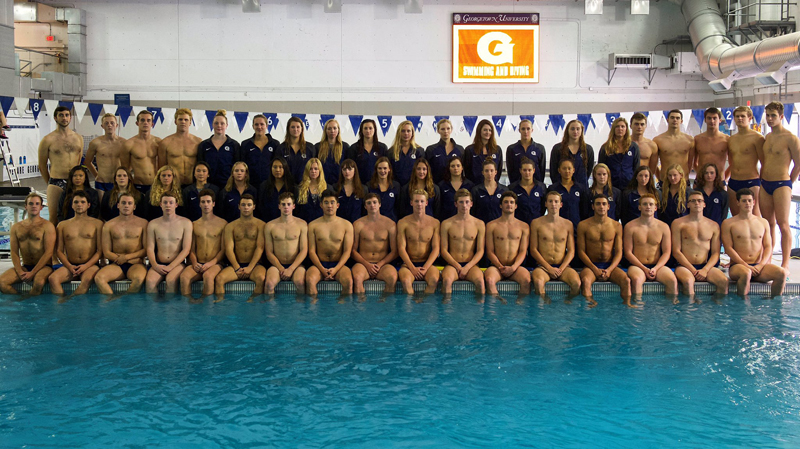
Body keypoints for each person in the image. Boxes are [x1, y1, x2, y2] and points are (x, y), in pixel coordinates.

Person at [722, 188, 786, 297]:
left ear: (754, 202)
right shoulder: (728, 223)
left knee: (781, 273)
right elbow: (728, 248)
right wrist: (745, 265)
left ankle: (774, 303)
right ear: (738, 203)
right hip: (738, 266)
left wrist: (761, 265)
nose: (747, 203)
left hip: (758, 267)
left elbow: (768, 246)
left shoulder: (763, 222)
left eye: (749, 200)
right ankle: (742, 305)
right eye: (744, 201)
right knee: (746, 273)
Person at [760, 101, 800, 271]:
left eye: (773, 116)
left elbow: (798, 164)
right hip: (765, 184)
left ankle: (785, 263)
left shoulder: (790, 138)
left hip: (782, 184)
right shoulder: (767, 137)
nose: (770, 119)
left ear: (781, 116)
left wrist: (789, 184)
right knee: (768, 224)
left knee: (783, 224)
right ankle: (768, 259)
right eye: (768, 115)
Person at [671, 190, 729, 297]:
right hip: (684, 266)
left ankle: (716, 306)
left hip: (705, 266)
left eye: (699, 201)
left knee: (723, 281)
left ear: (704, 204)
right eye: (693, 201)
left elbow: (716, 253)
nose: (696, 203)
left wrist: (705, 270)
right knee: (688, 282)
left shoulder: (713, 225)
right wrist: (694, 271)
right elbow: (676, 251)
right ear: (688, 205)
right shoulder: (678, 223)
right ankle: (689, 307)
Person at [577, 194, 631, 305]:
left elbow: (619, 252)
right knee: (586, 281)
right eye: (598, 204)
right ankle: (590, 304)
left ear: (608, 207)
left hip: (610, 265)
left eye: (604, 204)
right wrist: (594, 269)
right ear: (593, 207)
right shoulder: (583, 225)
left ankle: (627, 305)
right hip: (591, 266)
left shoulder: (616, 226)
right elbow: (581, 251)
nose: (601, 207)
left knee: (626, 281)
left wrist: (610, 270)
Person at [623, 194, 678, 299]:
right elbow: (628, 252)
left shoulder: (664, 227)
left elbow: (667, 252)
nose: (648, 207)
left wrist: (656, 268)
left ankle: (671, 306)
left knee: (672, 280)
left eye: (651, 204)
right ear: (639, 207)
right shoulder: (630, 227)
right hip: (637, 266)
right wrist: (644, 268)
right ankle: (638, 307)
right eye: (645, 204)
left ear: (655, 208)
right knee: (637, 280)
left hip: (658, 266)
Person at [0, 193, 55, 295]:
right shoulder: (16, 227)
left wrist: (33, 272)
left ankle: (26, 301)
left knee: (38, 283)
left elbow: (49, 252)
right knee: (2, 282)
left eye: (37, 204)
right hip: (25, 266)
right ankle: (20, 300)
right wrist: (19, 271)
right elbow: (14, 252)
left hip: (44, 267)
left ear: (41, 207)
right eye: (31, 203)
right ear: (25, 206)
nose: (34, 206)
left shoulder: (47, 226)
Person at [49, 192, 104, 296]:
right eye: (76, 202)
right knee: (53, 279)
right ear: (72, 205)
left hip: (90, 265)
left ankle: (71, 302)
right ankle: (63, 301)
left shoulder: (97, 224)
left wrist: (86, 266)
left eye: (83, 202)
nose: (79, 204)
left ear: (88, 205)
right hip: (70, 265)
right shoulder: (62, 225)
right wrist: (69, 266)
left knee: (86, 280)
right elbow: (59, 251)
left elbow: (100, 251)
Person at [94, 193, 149, 295]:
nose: (126, 205)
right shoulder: (108, 225)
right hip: (117, 264)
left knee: (138, 279)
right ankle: (113, 301)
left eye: (129, 203)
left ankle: (124, 302)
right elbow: (106, 252)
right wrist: (119, 259)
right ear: (118, 205)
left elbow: (146, 250)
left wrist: (126, 257)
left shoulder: (143, 223)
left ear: (134, 206)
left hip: (136, 264)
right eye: (123, 203)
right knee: (99, 278)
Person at [38, 105, 84, 225]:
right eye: (61, 115)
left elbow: (78, 161)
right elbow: (42, 166)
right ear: (55, 118)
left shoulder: (78, 138)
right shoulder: (47, 140)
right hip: (56, 181)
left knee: (77, 216)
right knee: (54, 218)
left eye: (67, 115)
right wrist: (50, 182)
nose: (64, 118)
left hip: (75, 181)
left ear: (70, 117)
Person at [214, 194, 267, 298]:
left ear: (254, 207)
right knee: (219, 279)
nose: (246, 207)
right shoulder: (230, 226)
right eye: (243, 205)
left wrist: (250, 267)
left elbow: (260, 248)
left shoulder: (261, 225)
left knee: (261, 278)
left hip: (255, 265)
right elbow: (228, 249)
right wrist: (237, 267)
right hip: (236, 265)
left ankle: (253, 301)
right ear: (239, 206)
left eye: (249, 205)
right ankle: (220, 303)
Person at [529, 191, 581, 297]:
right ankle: (544, 304)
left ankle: (568, 303)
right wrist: (549, 268)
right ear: (545, 204)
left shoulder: (568, 224)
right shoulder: (536, 223)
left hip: (563, 267)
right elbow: (533, 250)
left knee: (576, 283)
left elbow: (571, 251)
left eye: (556, 201)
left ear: (561, 204)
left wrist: (561, 269)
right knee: (538, 283)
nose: (553, 204)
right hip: (543, 267)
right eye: (550, 201)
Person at [178, 189, 228, 297]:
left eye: (208, 202)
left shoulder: (222, 223)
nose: (206, 205)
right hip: (198, 263)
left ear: (213, 204)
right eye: (203, 202)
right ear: (199, 204)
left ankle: (207, 306)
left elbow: (223, 250)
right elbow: (191, 249)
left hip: (215, 264)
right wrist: (194, 262)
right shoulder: (194, 224)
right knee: (184, 277)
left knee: (208, 277)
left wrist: (211, 263)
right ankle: (187, 304)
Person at [306, 189, 354, 296]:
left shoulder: (347, 225)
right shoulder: (313, 225)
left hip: (339, 265)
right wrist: (322, 269)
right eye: (326, 202)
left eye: (332, 202)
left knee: (348, 282)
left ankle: (343, 307)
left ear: (337, 205)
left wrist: (336, 269)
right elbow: (311, 251)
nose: (329, 206)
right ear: (321, 205)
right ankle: (313, 306)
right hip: (319, 265)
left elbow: (347, 252)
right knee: (310, 280)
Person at [484, 191, 530, 296]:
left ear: (516, 206)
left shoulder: (524, 226)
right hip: (496, 267)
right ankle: (496, 303)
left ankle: (520, 304)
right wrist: (500, 267)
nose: (509, 204)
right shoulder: (491, 226)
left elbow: (523, 251)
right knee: (489, 280)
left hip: (516, 267)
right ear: (500, 205)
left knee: (526, 280)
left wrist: (513, 267)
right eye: (506, 202)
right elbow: (490, 251)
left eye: (511, 202)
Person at [145, 192, 193, 293]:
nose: (168, 205)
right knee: (150, 282)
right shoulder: (153, 224)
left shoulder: (186, 223)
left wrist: (171, 266)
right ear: (160, 204)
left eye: (171, 202)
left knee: (171, 281)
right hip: (158, 263)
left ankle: (170, 304)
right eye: (165, 202)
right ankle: (153, 304)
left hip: (177, 264)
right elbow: (149, 248)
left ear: (176, 205)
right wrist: (155, 265)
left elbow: (186, 249)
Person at [440, 189, 486, 295]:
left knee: (480, 282)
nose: (464, 205)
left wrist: (467, 267)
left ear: (471, 204)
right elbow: (443, 250)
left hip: (471, 265)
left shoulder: (479, 224)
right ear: (456, 204)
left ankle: (480, 306)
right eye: (461, 202)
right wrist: (457, 266)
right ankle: (446, 306)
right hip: (453, 265)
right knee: (447, 281)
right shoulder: (447, 224)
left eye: (467, 202)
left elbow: (480, 250)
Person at [351, 193, 398, 294]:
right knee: (357, 278)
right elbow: (353, 251)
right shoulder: (358, 224)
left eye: (374, 202)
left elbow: (395, 251)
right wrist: (367, 265)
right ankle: (360, 303)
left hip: (383, 265)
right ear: (365, 206)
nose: (372, 205)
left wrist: (380, 264)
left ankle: (386, 303)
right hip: (363, 264)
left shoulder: (390, 224)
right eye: (369, 203)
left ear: (379, 204)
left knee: (392, 278)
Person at [396, 190, 441, 294]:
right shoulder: (403, 223)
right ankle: (411, 304)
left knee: (434, 280)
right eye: (416, 201)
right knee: (406, 281)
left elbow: (436, 248)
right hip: (408, 265)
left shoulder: (435, 223)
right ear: (411, 202)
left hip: (427, 264)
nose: (419, 204)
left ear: (426, 203)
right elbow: (401, 248)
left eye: (422, 201)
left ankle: (424, 302)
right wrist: (412, 268)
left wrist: (425, 268)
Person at [263, 192, 308, 295]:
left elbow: (304, 250)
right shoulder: (270, 226)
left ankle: (300, 306)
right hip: (277, 266)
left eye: (288, 204)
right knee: (269, 284)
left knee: (300, 283)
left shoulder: (302, 224)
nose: (286, 207)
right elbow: (269, 252)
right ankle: (269, 306)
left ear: (293, 206)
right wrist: (281, 268)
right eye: (283, 204)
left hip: (296, 265)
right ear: (279, 206)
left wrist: (291, 268)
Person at [727, 106, 765, 216]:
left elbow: (764, 162)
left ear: (750, 118)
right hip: (733, 182)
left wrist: (762, 183)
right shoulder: (731, 139)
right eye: (737, 116)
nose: (740, 118)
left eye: (742, 116)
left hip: (751, 182)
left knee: (754, 217)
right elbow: (731, 162)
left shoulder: (757, 138)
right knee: (735, 216)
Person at [157, 108, 202, 188]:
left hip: (193, 185)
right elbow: (162, 168)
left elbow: (201, 165)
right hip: (173, 185)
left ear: (190, 122)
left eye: (186, 120)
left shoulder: (198, 142)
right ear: (175, 121)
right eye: (180, 119)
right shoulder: (165, 142)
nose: (183, 122)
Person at [119, 110, 161, 196]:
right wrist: (129, 186)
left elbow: (164, 166)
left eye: (148, 120)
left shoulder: (158, 143)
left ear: (152, 124)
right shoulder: (129, 144)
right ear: (137, 123)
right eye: (142, 120)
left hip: (155, 185)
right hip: (137, 185)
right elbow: (125, 169)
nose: (145, 123)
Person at [197, 109, 240, 190]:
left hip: (228, 185)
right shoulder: (204, 145)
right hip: (208, 185)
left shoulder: (234, 145)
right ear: (212, 125)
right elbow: (200, 165)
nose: (219, 126)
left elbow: (237, 166)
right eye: (216, 123)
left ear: (226, 125)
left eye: (222, 123)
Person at [85, 113, 124, 200]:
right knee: (102, 207)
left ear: (116, 125)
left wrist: (124, 176)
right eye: (106, 123)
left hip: (118, 182)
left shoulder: (123, 143)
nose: (109, 125)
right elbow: (87, 162)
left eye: (112, 123)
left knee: (117, 206)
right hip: (101, 182)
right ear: (102, 126)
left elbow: (130, 162)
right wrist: (96, 175)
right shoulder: (95, 143)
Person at [653, 110, 694, 185]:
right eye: (672, 117)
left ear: (681, 121)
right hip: (665, 180)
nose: (675, 120)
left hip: (683, 180)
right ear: (667, 120)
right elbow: (653, 164)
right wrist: (660, 178)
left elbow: (690, 163)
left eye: (677, 118)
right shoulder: (658, 140)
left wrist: (685, 176)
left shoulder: (689, 140)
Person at [239, 114, 281, 189]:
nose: (259, 127)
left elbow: (278, 164)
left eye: (262, 124)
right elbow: (242, 165)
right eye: (256, 124)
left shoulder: (275, 144)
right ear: (253, 126)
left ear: (266, 126)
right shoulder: (245, 144)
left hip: (270, 184)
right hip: (250, 184)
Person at [547, 159, 589, 231]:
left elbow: (584, 210)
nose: (567, 171)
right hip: (558, 227)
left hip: (576, 227)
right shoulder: (553, 188)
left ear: (573, 170)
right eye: (564, 168)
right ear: (559, 170)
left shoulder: (581, 188)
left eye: (569, 168)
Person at [550, 119, 595, 187]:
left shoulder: (588, 149)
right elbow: (553, 170)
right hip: (562, 187)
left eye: (578, 129)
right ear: (567, 131)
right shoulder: (558, 148)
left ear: (582, 131)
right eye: (572, 129)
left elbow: (588, 170)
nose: (575, 131)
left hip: (582, 187)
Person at [599, 117, 640, 190]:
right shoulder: (606, 147)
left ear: (626, 129)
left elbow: (636, 168)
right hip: (611, 186)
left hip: (629, 186)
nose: (620, 129)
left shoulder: (633, 147)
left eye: (622, 126)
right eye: (617, 126)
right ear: (613, 129)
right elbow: (601, 167)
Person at [257, 156, 296, 223]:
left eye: (280, 167)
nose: (277, 170)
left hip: (288, 224)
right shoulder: (264, 186)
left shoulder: (293, 187)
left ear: (285, 168)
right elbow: (260, 207)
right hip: (268, 223)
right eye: (275, 167)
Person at [464, 119, 503, 185]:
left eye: (490, 130)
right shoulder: (469, 150)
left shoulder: (497, 150)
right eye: (485, 130)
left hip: (492, 186)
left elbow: (498, 170)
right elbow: (467, 171)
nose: (488, 132)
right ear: (479, 131)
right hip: (474, 187)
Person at [506, 119, 546, 184]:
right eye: (523, 129)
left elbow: (542, 171)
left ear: (532, 130)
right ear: (519, 130)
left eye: (528, 129)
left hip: (536, 187)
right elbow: (510, 171)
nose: (526, 131)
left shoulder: (540, 148)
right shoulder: (511, 149)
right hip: (517, 186)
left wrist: (539, 186)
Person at [693, 108, 729, 179]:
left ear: (720, 120)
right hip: (701, 179)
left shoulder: (727, 139)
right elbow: (694, 163)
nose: (712, 121)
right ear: (705, 120)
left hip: (719, 179)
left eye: (714, 118)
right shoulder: (697, 139)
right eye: (709, 118)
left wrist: (724, 178)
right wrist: (700, 175)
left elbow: (732, 164)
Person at [508, 157, 547, 224]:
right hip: (518, 224)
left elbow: (544, 206)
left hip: (537, 223)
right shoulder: (512, 188)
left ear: (534, 170)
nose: (527, 173)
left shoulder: (541, 187)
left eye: (529, 170)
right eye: (524, 170)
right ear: (520, 170)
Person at [426, 118, 464, 184]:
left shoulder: (460, 149)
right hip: (436, 185)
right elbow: (427, 171)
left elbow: (464, 170)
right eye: (442, 129)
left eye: (448, 128)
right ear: (438, 131)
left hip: (455, 186)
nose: (446, 131)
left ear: (451, 130)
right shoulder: (431, 149)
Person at [387, 120, 425, 187]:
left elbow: (423, 171)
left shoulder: (419, 151)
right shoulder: (391, 152)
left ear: (412, 133)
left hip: (414, 186)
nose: (406, 133)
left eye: (408, 131)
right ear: (399, 133)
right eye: (403, 131)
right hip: (396, 186)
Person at [280, 116, 316, 183]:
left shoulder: (310, 148)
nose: (295, 129)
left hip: (305, 184)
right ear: (288, 129)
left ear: (302, 129)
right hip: (286, 184)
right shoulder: (281, 148)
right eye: (292, 127)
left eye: (298, 127)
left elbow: (315, 168)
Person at [350, 119, 387, 185]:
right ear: (361, 130)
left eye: (370, 128)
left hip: (378, 184)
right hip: (359, 184)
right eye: (365, 128)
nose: (368, 131)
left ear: (374, 130)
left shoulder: (382, 148)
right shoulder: (354, 148)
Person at [471, 159, 508, 223]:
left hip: (499, 226)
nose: (489, 173)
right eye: (486, 171)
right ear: (482, 172)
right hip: (482, 226)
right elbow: (472, 212)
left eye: (491, 170)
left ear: (496, 172)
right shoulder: (476, 190)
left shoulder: (504, 190)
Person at [315, 118, 350, 186]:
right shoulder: (318, 147)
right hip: (322, 183)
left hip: (340, 183)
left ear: (338, 130)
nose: (332, 131)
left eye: (334, 128)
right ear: (325, 131)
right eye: (329, 128)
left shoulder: (345, 147)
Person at [438, 157, 474, 221]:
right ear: (449, 168)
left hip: (465, 221)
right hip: (447, 221)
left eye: (458, 166)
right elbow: (439, 206)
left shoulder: (470, 185)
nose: (455, 168)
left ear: (462, 168)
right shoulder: (442, 185)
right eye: (452, 166)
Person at [694, 163, 728, 227]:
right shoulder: (696, 192)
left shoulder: (722, 194)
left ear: (716, 175)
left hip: (716, 227)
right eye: (706, 173)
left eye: (712, 173)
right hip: (699, 226)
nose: (709, 175)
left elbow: (724, 214)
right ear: (703, 175)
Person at [368, 157, 401, 222]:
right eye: (380, 168)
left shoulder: (396, 186)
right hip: (373, 222)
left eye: (385, 168)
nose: (382, 171)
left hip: (391, 222)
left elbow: (399, 207)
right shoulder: (369, 186)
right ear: (376, 170)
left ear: (389, 169)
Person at [295, 158, 327, 223]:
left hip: (323, 224)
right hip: (304, 224)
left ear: (320, 170)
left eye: (316, 169)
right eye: (310, 169)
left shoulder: (327, 188)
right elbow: (296, 211)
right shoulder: (300, 189)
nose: (313, 171)